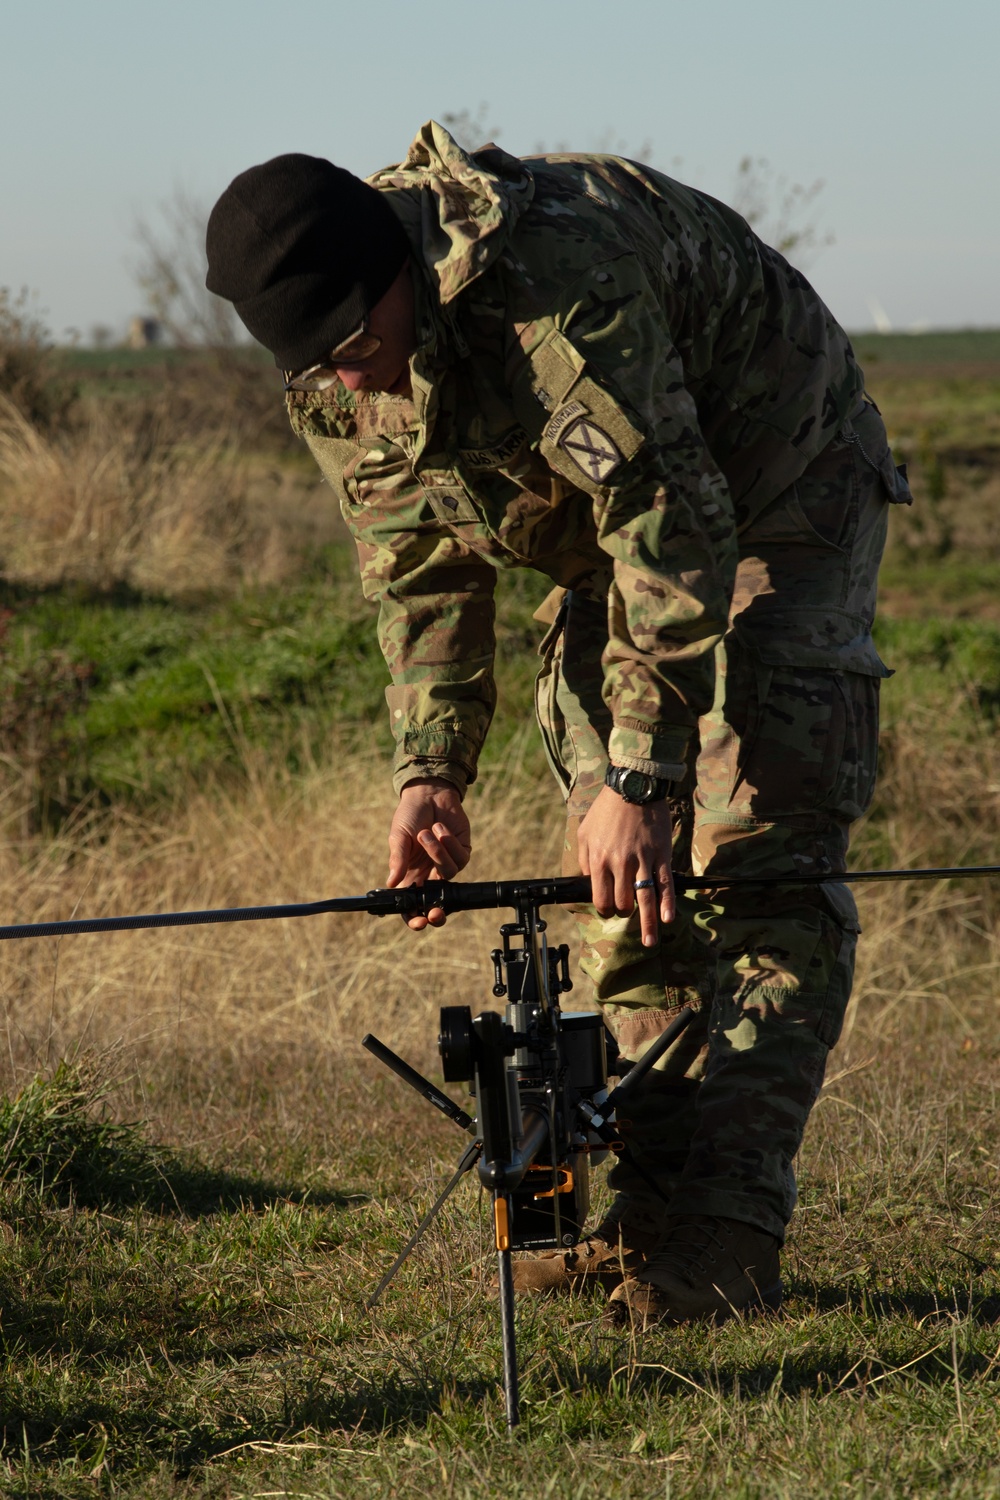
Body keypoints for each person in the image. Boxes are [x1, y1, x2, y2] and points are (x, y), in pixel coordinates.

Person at [205, 123, 910, 1328]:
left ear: (400, 274)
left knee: (755, 854)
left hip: (778, 485)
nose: (351, 380)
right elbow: (416, 565)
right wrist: (431, 771)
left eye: (359, 345)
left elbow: (670, 520)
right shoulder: (340, 374)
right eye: (321, 366)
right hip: (617, 541)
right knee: (622, 881)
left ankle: (728, 1234)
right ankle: (651, 1219)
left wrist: (645, 769)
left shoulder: (557, 290)